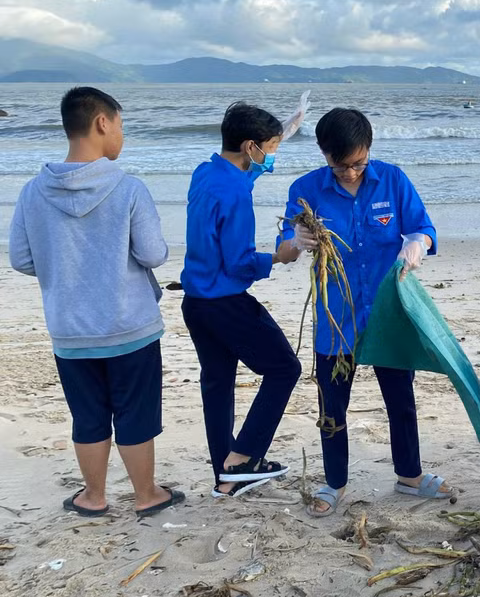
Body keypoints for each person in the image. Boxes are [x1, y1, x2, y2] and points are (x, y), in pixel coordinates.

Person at [9, 87, 183, 517]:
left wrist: (65, 273)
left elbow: (22, 258)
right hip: (130, 325)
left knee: (88, 415)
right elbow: (153, 254)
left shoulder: (34, 191)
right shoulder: (128, 188)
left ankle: (94, 496)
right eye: (120, 124)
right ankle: (146, 495)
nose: (121, 134)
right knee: (135, 413)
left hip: (70, 329)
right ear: (102, 122)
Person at [280, 107, 448, 516]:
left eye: (358, 163)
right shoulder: (306, 191)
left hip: (388, 313)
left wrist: (417, 245)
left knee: (400, 399)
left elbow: (424, 228)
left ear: (369, 149)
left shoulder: (393, 180)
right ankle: (334, 483)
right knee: (332, 406)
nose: (351, 173)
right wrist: (298, 240)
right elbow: (284, 250)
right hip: (336, 318)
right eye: (341, 167)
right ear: (324, 155)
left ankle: (409, 475)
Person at [181, 101, 304, 498]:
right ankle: (244, 458)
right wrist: (279, 257)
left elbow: (240, 182)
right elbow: (238, 264)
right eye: (270, 148)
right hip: (226, 303)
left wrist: (285, 129)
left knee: (217, 385)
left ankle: (226, 476)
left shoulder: (207, 172)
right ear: (251, 146)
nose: (273, 156)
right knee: (285, 368)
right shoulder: (234, 193)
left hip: (196, 303)